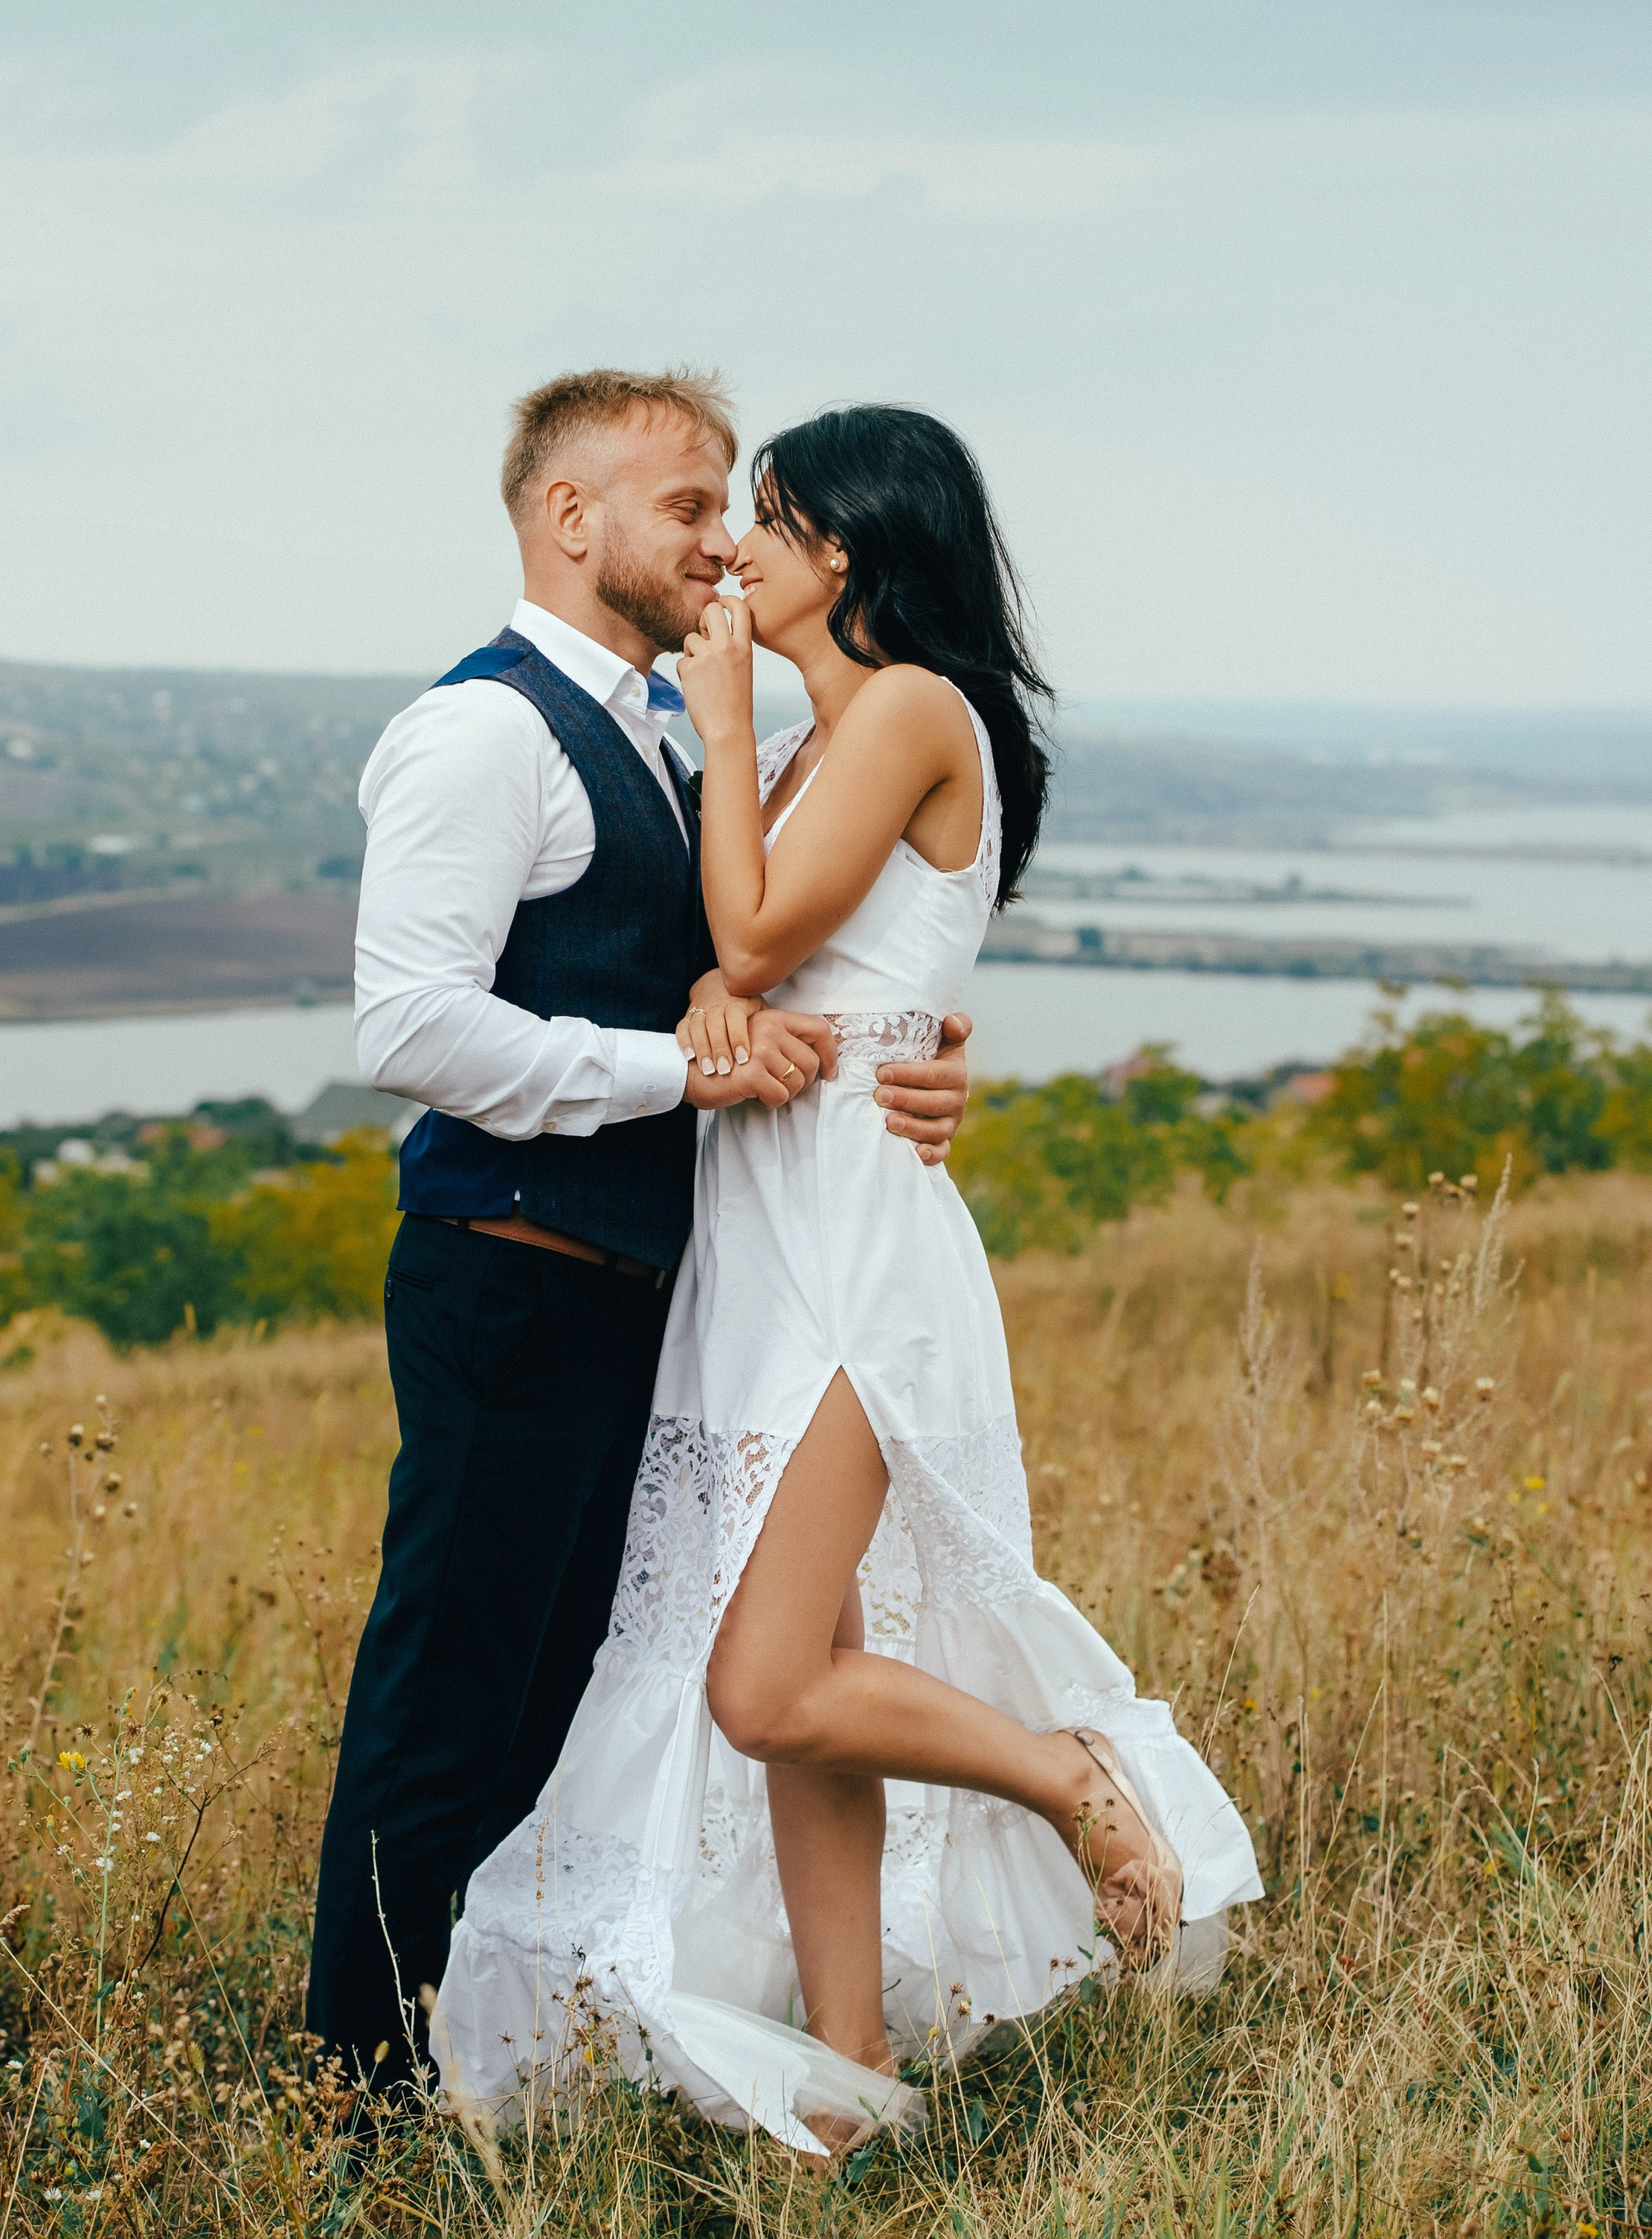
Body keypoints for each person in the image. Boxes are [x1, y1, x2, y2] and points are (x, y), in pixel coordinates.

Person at [435, 405, 1263, 2158]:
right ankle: (849, 2075)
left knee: (758, 1684)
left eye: (777, 519)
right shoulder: (822, 737)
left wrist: (727, 755)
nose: (739, 545)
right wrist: (726, 1005)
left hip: (847, 1241)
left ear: (859, 550)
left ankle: (1067, 1777)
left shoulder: (897, 709)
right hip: (755, 1218)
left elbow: (753, 932)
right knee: (808, 1665)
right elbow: (757, 966)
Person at [305, 370, 976, 2099]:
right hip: (510, 1277)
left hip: (663, 1297)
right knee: (448, 1701)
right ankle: (354, 2097)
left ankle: (493, 2058)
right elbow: (406, 1026)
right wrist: (671, 1072)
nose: (716, 539)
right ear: (567, 520)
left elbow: (790, 955)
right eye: (685, 506)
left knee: (559, 1706)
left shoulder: (676, 732)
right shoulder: (485, 731)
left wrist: (915, 1058)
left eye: (724, 503)